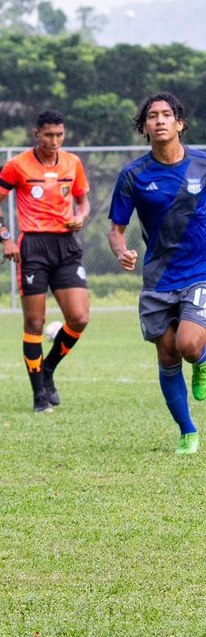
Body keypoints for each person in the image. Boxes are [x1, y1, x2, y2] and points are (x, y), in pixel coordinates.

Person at [108, 92, 206, 455]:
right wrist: (122, 252)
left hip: (200, 272)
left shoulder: (202, 164)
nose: (160, 120)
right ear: (145, 126)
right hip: (158, 279)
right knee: (167, 357)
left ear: (180, 123)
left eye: (167, 115)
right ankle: (188, 431)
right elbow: (116, 229)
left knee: (189, 345)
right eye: (153, 116)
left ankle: (202, 359)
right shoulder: (133, 175)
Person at [0, 110, 91, 413]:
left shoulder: (73, 163)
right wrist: (4, 235)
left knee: (79, 318)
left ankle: (47, 369)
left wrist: (81, 217)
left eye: (59, 135)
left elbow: (83, 201)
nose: (54, 141)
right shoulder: (17, 165)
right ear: (36, 134)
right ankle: (39, 396)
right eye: (48, 135)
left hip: (66, 246)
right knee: (35, 322)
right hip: (34, 246)